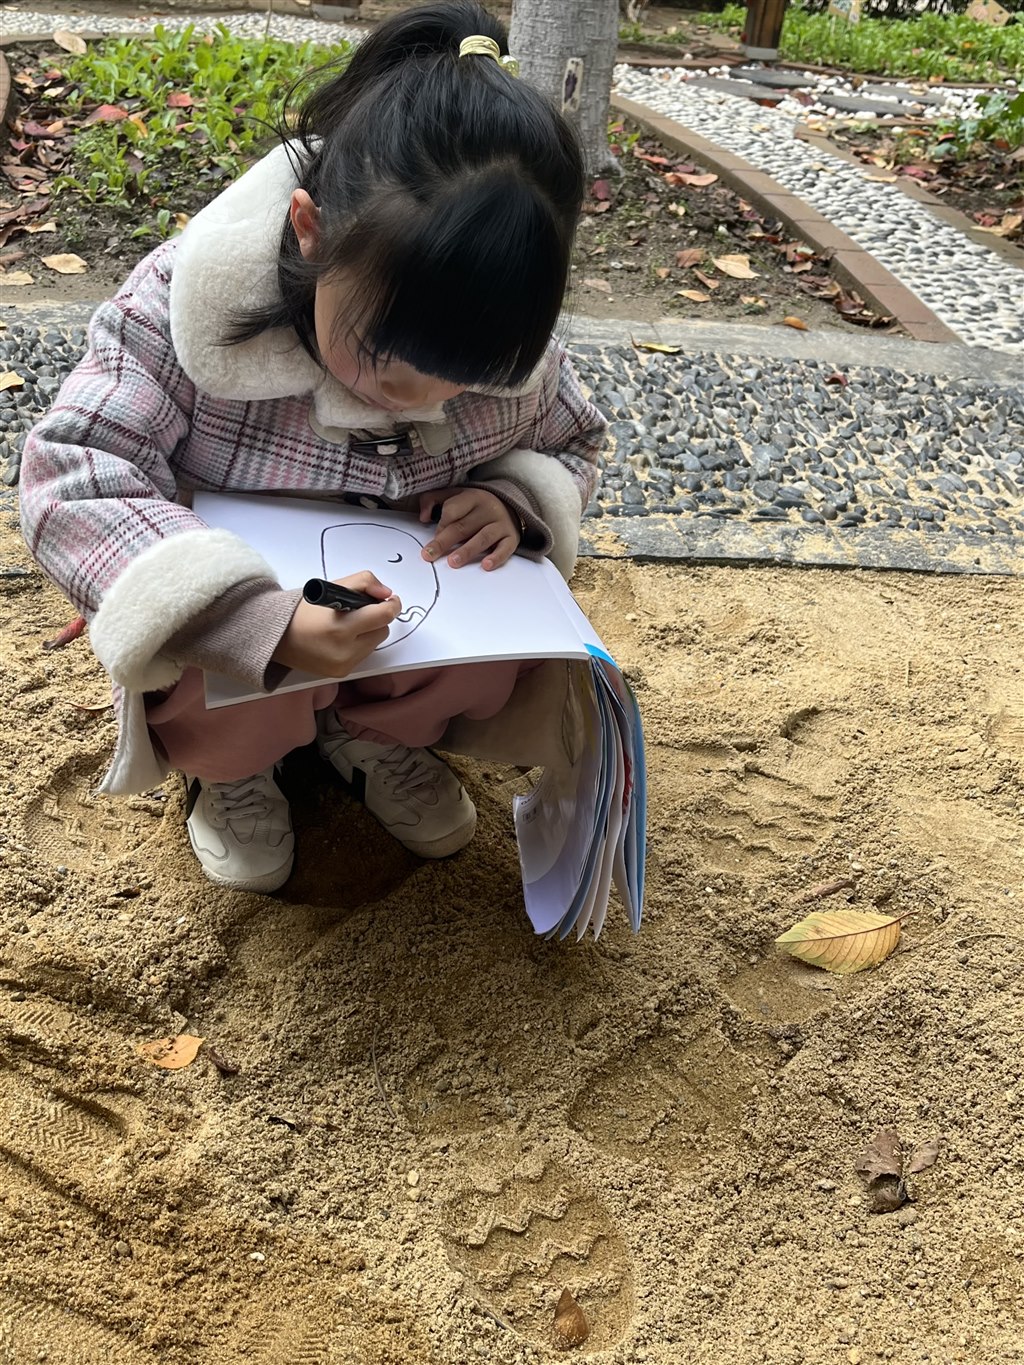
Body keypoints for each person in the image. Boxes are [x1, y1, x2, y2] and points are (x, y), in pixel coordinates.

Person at [19, 1, 605, 894]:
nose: (417, 396)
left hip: (400, 611)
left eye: (464, 376)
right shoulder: (186, 309)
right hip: (247, 617)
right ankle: (233, 769)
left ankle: (367, 735)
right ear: (310, 229)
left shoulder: (512, 350)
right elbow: (71, 472)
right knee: (212, 676)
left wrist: (514, 501)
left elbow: (576, 444)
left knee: (497, 633)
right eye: (383, 354)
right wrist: (251, 619)